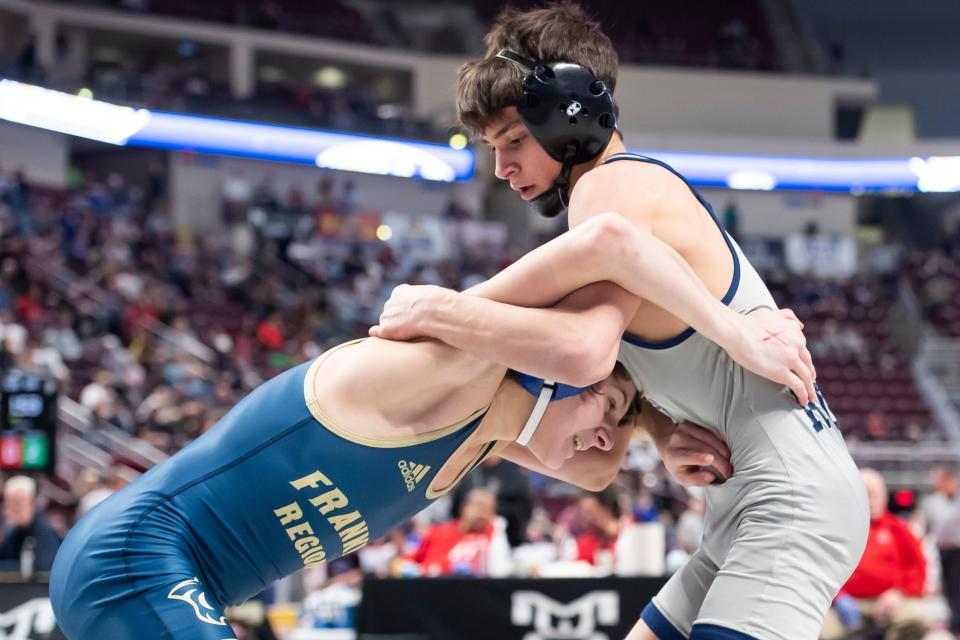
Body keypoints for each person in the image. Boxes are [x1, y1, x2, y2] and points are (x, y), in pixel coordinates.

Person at [371, 4, 868, 638]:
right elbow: (629, 391)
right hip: (748, 509)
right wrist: (661, 432)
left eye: (515, 140)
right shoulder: (619, 201)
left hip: (788, 503)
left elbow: (583, 345)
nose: (502, 169)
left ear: (570, 113)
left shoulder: (611, 185)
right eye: (493, 148)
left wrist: (442, 307)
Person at [50, 248, 804, 640]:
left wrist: (653, 423)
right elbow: (611, 246)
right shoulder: (450, 368)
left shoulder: (488, 438)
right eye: (610, 404)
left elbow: (600, 464)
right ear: (547, 373)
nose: (609, 435)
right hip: (135, 556)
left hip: (182, 577)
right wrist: (736, 335)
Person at [821, 469, 928, 640]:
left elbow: (917, 567)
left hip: (888, 604)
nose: (871, 499)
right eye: (865, 493)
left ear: (884, 495)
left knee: (917, 617)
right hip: (847, 605)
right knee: (818, 629)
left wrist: (899, 592)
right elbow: (822, 567)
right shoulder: (837, 529)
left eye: (875, 493)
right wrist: (838, 597)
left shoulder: (898, 529)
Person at [410, 488, 498, 576]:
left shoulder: (493, 535)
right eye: (479, 507)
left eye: (488, 510)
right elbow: (410, 561)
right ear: (465, 507)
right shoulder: (437, 531)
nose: (482, 514)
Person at [922, 466, 960, 636]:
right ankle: (953, 620)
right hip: (942, 550)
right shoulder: (933, 502)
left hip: (958, 549)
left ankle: (956, 623)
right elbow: (929, 526)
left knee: (956, 588)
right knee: (947, 587)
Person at [0, 475, 63, 573]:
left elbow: (45, 573)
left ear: (33, 504)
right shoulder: (13, 532)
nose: (11, 510)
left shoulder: (45, 532)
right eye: (8, 504)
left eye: (17, 504)